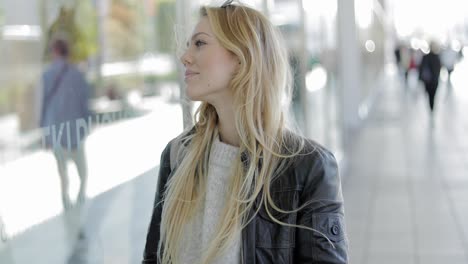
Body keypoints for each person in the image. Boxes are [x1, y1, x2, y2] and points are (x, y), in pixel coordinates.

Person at [143, 2, 348, 264]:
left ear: (241, 58)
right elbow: (154, 258)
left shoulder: (308, 167)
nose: (185, 56)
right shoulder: (177, 155)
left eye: (200, 43)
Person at [39, 39, 90, 210]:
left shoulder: (47, 75)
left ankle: (65, 200)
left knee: (62, 172)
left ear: (55, 51)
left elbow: (43, 105)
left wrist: (45, 135)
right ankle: (80, 199)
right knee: (82, 172)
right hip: (75, 131)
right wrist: (87, 125)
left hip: (56, 132)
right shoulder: (77, 73)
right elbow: (84, 102)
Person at [418, 42, 442, 116]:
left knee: (429, 95)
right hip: (434, 81)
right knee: (433, 95)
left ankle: (431, 107)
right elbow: (439, 68)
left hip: (427, 81)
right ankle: (432, 107)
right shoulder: (437, 57)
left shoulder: (425, 57)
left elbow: (421, 68)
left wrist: (420, 79)